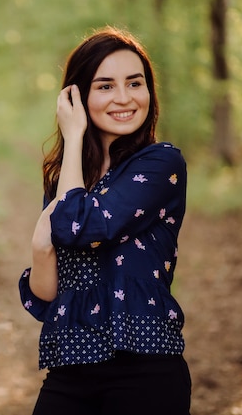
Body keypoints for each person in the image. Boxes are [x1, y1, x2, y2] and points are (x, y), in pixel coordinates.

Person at [18, 26, 192, 415]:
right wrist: (40, 247)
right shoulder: (67, 178)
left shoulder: (161, 163)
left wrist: (75, 135)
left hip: (144, 368)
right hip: (71, 369)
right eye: (105, 86)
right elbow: (48, 294)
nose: (125, 98)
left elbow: (79, 227)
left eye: (135, 83)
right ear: (78, 97)